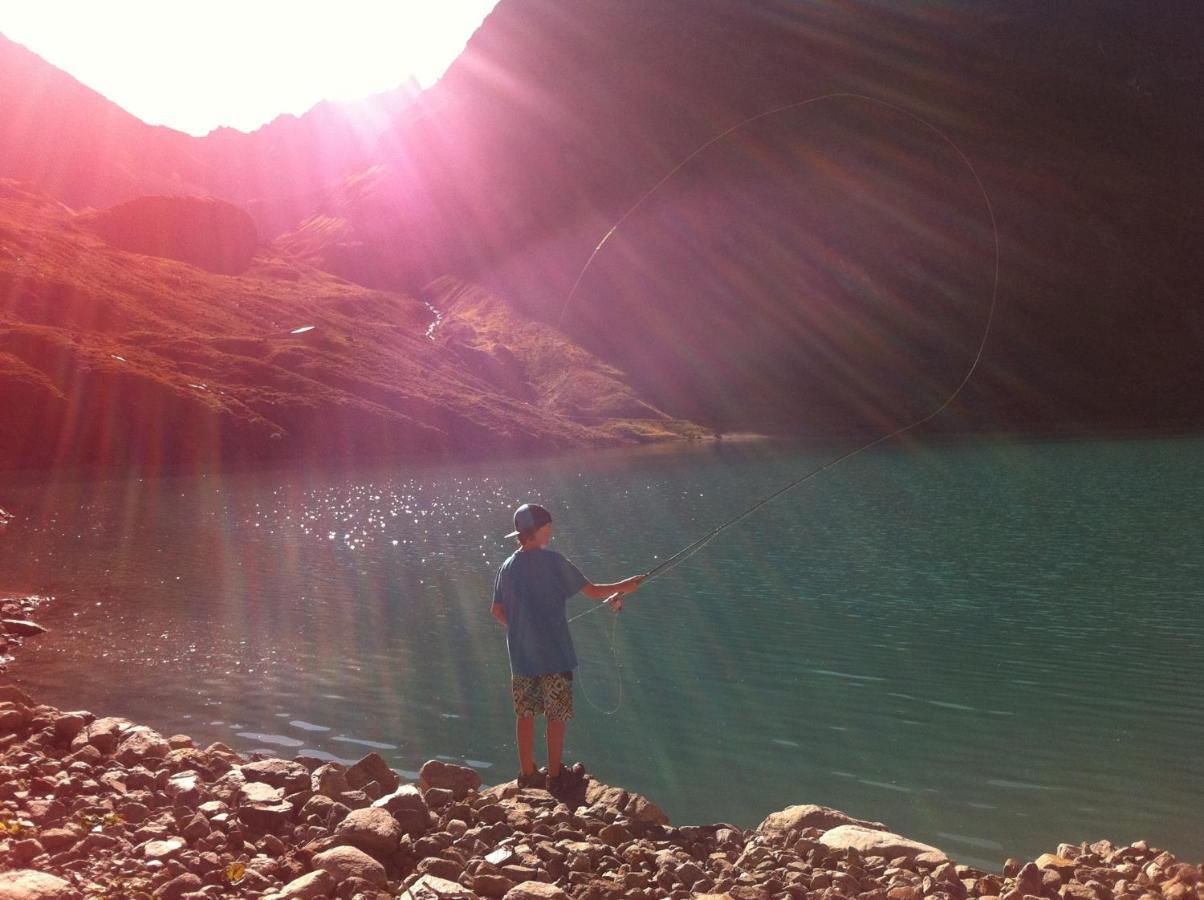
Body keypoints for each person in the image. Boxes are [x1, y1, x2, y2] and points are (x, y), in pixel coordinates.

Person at [491, 502, 643, 791]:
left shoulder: (507, 566)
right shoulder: (553, 562)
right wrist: (624, 585)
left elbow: (496, 611)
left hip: (521, 657)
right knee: (556, 715)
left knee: (525, 714)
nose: (552, 530)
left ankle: (527, 774)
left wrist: (521, 629)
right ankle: (556, 776)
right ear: (539, 531)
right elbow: (594, 591)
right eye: (548, 527)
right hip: (555, 655)